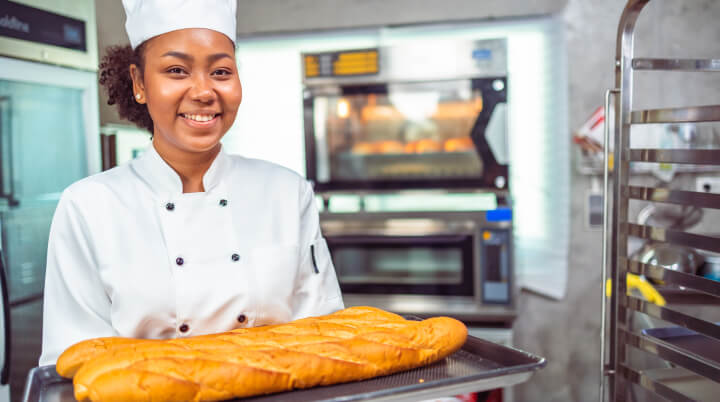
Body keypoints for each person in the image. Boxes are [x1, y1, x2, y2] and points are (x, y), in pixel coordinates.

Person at [39, 0, 344, 366]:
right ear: (139, 83)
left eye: (220, 71)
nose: (203, 91)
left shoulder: (286, 192)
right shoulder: (89, 206)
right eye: (177, 70)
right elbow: (75, 360)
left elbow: (325, 338)